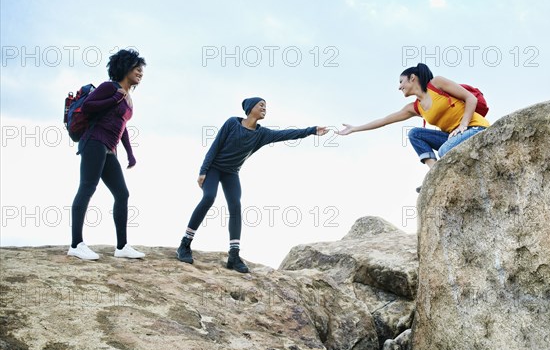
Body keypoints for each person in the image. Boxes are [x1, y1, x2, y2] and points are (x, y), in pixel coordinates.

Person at [177, 97, 329, 272]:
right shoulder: (232, 123)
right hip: (214, 168)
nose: (265, 108)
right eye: (261, 105)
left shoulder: (262, 134)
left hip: (231, 173)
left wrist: (311, 131)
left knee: (235, 205)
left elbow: (286, 134)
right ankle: (185, 244)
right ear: (250, 109)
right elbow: (215, 146)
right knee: (209, 197)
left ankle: (234, 255)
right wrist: (203, 171)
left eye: (266, 106)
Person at [337, 63, 489, 192]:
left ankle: (439, 174)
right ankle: (435, 173)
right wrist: (355, 128)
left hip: (474, 128)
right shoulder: (415, 107)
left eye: (401, 81)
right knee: (415, 133)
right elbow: (384, 120)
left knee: (444, 150)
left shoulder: (436, 84)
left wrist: (463, 124)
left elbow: (471, 98)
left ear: (412, 78)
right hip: (454, 137)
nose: (399, 87)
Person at [68, 49, 146, 260]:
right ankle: (76, 244)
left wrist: (130, 153)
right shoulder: (109, 87)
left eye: (142, 68)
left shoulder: (127, 97)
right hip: (93, 142)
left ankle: (122, 247)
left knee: (122, 193)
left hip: (110, 149)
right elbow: (88, 106)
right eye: (136, 66)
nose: (140, 71)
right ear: (124, 67)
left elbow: (123, 126)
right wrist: (114, 98)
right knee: (87, 188)